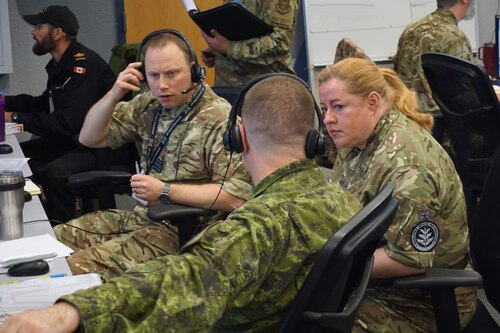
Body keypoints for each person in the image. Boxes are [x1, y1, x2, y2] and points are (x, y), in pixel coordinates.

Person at [0, 74, 362, 333]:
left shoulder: (262, 224)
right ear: (313, 139)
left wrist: (70, 313)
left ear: (239, 137)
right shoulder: (341, 198)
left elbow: (184, 280)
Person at [53, 29, 253, 282]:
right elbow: (90, 137)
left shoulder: (219, 118)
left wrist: (165, 191)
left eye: (171, 74)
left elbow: (236, 196)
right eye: (154, 75)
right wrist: (114, 92)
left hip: (184, 231)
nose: (163, 85)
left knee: (71, 269)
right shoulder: (148, 105)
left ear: (194, 71)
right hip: (141, 219)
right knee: (53, 242)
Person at [318, 57, 476, 332]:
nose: (328, 119)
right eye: (324, 108)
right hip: (372, 283)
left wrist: (326, 263)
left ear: (373, 102)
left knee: (315, 325)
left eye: (338, 107)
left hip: (418, 302)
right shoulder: (356, 139)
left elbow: (410, 258)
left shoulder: (408, 165)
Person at [4, 5, 116, 222]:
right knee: (20, 160)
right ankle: (34, 220)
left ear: (57, 33)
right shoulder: (60, 65)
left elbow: (67, 123)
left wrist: (15, 118)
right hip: (72, 139)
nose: (33, 32)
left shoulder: (82, 66)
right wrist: (4, 103)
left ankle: (63, 230)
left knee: (53, 173)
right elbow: (44, 104)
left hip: (99, 146)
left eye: (39, 26)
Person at [393, 0, 475, 116]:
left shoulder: (412, 29)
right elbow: (464, 93)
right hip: (435, 119)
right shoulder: (455, 37)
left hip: (405, 112)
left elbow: (397, 71)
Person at [200, 0, 299, 87]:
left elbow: (280, 42)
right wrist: (217, 50)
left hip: (266, 90)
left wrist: (230, 48)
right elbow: (237, 26)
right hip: (227, 85)